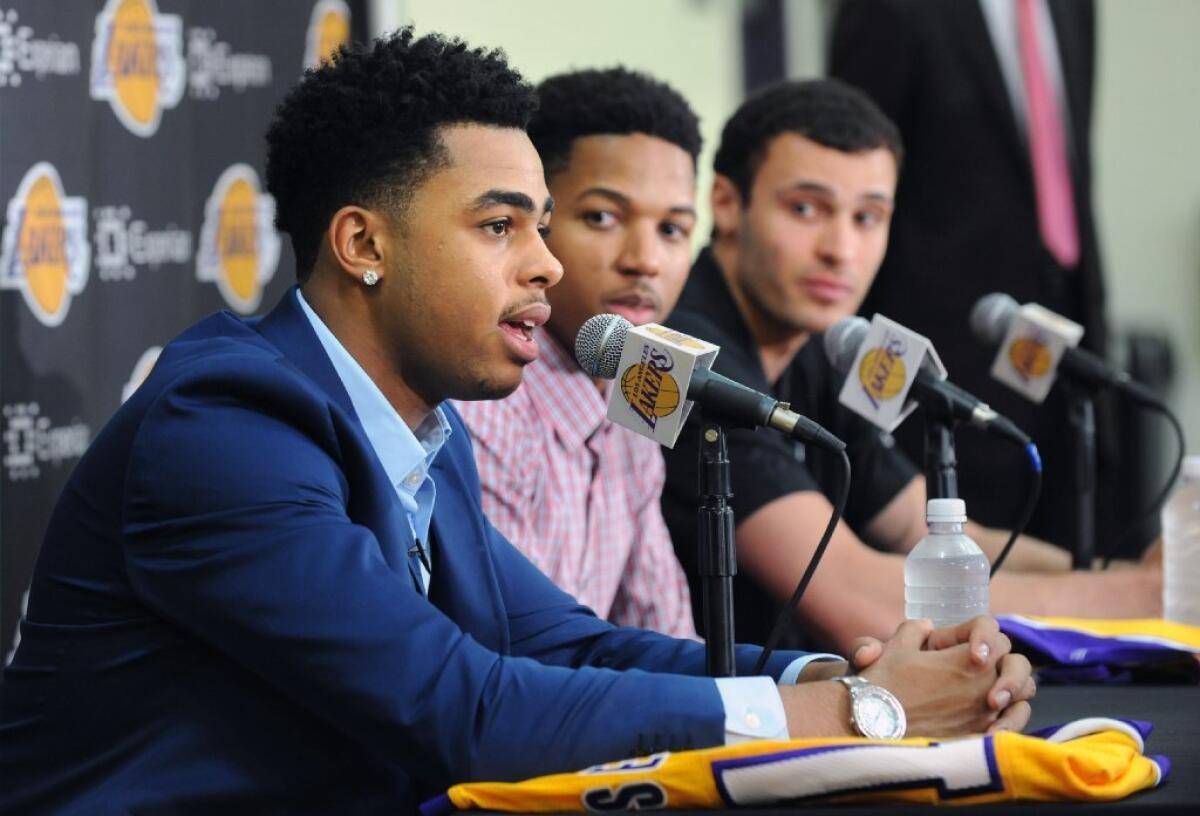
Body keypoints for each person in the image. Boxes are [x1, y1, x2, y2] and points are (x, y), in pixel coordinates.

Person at [0, 32, 1032, 814]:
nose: (544, 263)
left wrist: (847, 675)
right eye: (500, 226)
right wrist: (864, 716)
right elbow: (465, 710)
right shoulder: (224, 424)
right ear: (364, 242)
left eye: (542, 223)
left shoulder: (417, 429)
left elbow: (573, 645)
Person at [660, 78, 1160, 656]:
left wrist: (1118, 574)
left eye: (868, 217)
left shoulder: (823, 345)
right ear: (725, 203)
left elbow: (939, 536)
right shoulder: (690, 356)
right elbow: (861, 602)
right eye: (805, 209)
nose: (841, 250)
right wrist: (1147, 593)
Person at [828, 0, 1126, 551]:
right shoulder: (889, 12)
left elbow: (1070, 170)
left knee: (1077, 563)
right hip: (946, 364)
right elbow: (851, 172)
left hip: (1062, 357)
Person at [455, 68, 700, 637]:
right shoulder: (488, 399)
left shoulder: (638, 386)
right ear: (535, 224)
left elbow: (662, 630)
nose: (645, 260)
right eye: (602, 218)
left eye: (672, 229)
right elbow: (518, 650)